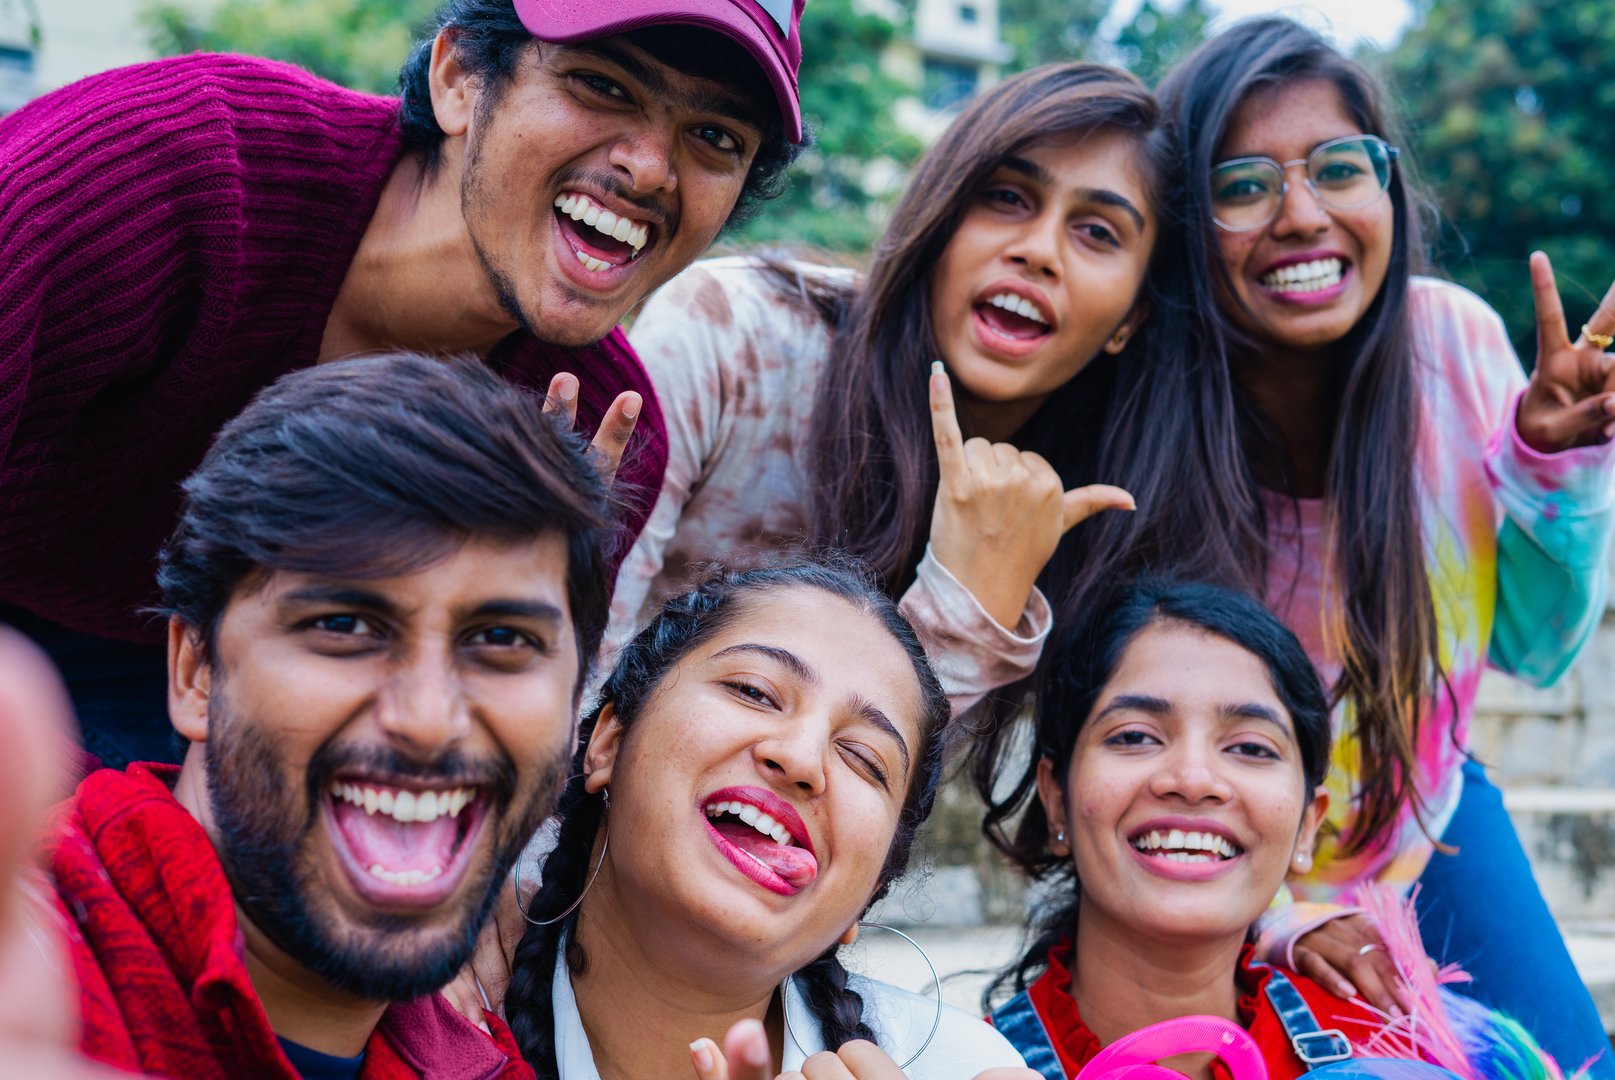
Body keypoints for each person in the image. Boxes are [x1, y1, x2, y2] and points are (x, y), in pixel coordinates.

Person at [0, 0, 808, 768]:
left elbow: (432, 745)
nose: (650, 169)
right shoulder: (174, 164)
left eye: (715, 136)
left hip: (193, 681)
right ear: (458, 79)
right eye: (602, 85)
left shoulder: (593, 424)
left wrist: (506, 588)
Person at [1096, 17, 1613, 1071]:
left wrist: (1553, 468)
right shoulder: (1135, 422)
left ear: (1386, 189)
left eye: (1338, 168)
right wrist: (1281, 920)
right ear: (1187, 222)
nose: (1301, 215)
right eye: (1243, 186)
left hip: (1425, 819)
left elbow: (1534, 648)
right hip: (1207, 854)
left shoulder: (1453, 343)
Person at [42, 352, 615, 1077]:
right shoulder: (30, 962)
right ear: (196, 672)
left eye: (503, 640)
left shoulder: (479, 1065)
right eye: (343, 627)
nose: (428, 720)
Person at [607, 62, 1166, 714]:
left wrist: (973, 604)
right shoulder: (736, 335)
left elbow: (882, 774)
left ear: (1130, 319)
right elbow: (572, 670)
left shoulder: (1100, 516)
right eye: (1007, 198)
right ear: (940, 214)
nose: (1039, 251)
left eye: (1097, 232)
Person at [475, 561, 1033, 1078]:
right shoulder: (434, 1019)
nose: (802, 758)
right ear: (609, 743)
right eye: (754, 692)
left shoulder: (961, 1068)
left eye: (863, 758)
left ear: (869, 893)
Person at [981, 578, 1380, 1080]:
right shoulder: (957, 1068)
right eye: (1135, 736)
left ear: (1307, 826)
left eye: (1250, 747)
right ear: (1056, 800)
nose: (1193, 781)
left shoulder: (1392, 1049)